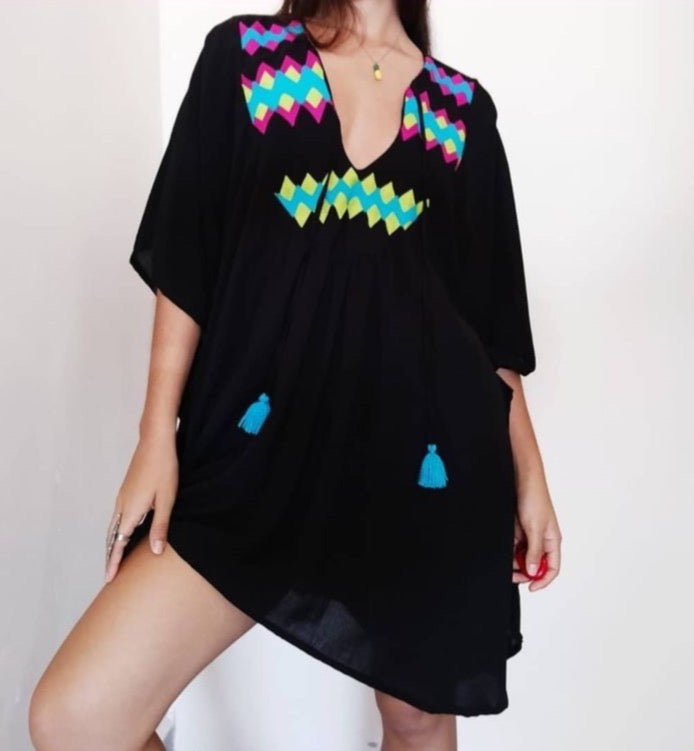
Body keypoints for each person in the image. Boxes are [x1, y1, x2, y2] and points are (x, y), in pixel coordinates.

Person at [28, 2, 562, 749]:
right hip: (253, 462)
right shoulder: (247, 59)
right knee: (77, 718)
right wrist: (155, 437)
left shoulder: (460, 111)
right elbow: (187, 257)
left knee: (416, 720)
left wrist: (530, 478)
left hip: (419, 475)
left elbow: (491, 329)